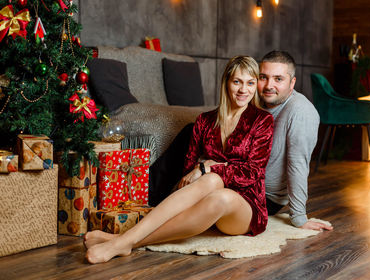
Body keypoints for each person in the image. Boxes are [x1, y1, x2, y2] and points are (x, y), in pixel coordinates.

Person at [84, 55, 274, 264]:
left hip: (244, 207)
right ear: (226, 82)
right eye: (237, 82)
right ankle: (124, 241)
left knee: (218, 190)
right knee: (211, 182)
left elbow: (253, 172)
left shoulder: (262, 120)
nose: (243, 90)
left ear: (256, 85)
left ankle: (124, 241)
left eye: (250, 83)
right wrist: (204, 168)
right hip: (208, 202)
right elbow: (188, 172)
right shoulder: (204, 121)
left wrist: (209, 168)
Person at [257, 50, 333, 231]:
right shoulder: (254, 100)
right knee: (192, 129)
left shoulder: (300, 111)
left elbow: (297, 163)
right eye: (263, 77)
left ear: (292, 83)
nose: (269, 85)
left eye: (278, 79)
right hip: (239, 181)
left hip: (265, 197)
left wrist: (299, 217)